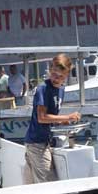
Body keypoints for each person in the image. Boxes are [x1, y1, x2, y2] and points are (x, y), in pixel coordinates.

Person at [23, 54, 81, 184]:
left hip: (43, 142)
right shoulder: (43, 88)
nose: (56, 78)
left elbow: (50, 116)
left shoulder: (61, 90)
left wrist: (62, 121)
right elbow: (42, 117)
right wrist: (68, 116)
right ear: (50, 70)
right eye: (54, 74)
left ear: (66, 76)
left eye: (61, 76)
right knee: (48, 185)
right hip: (37, 143)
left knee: (31, 186)